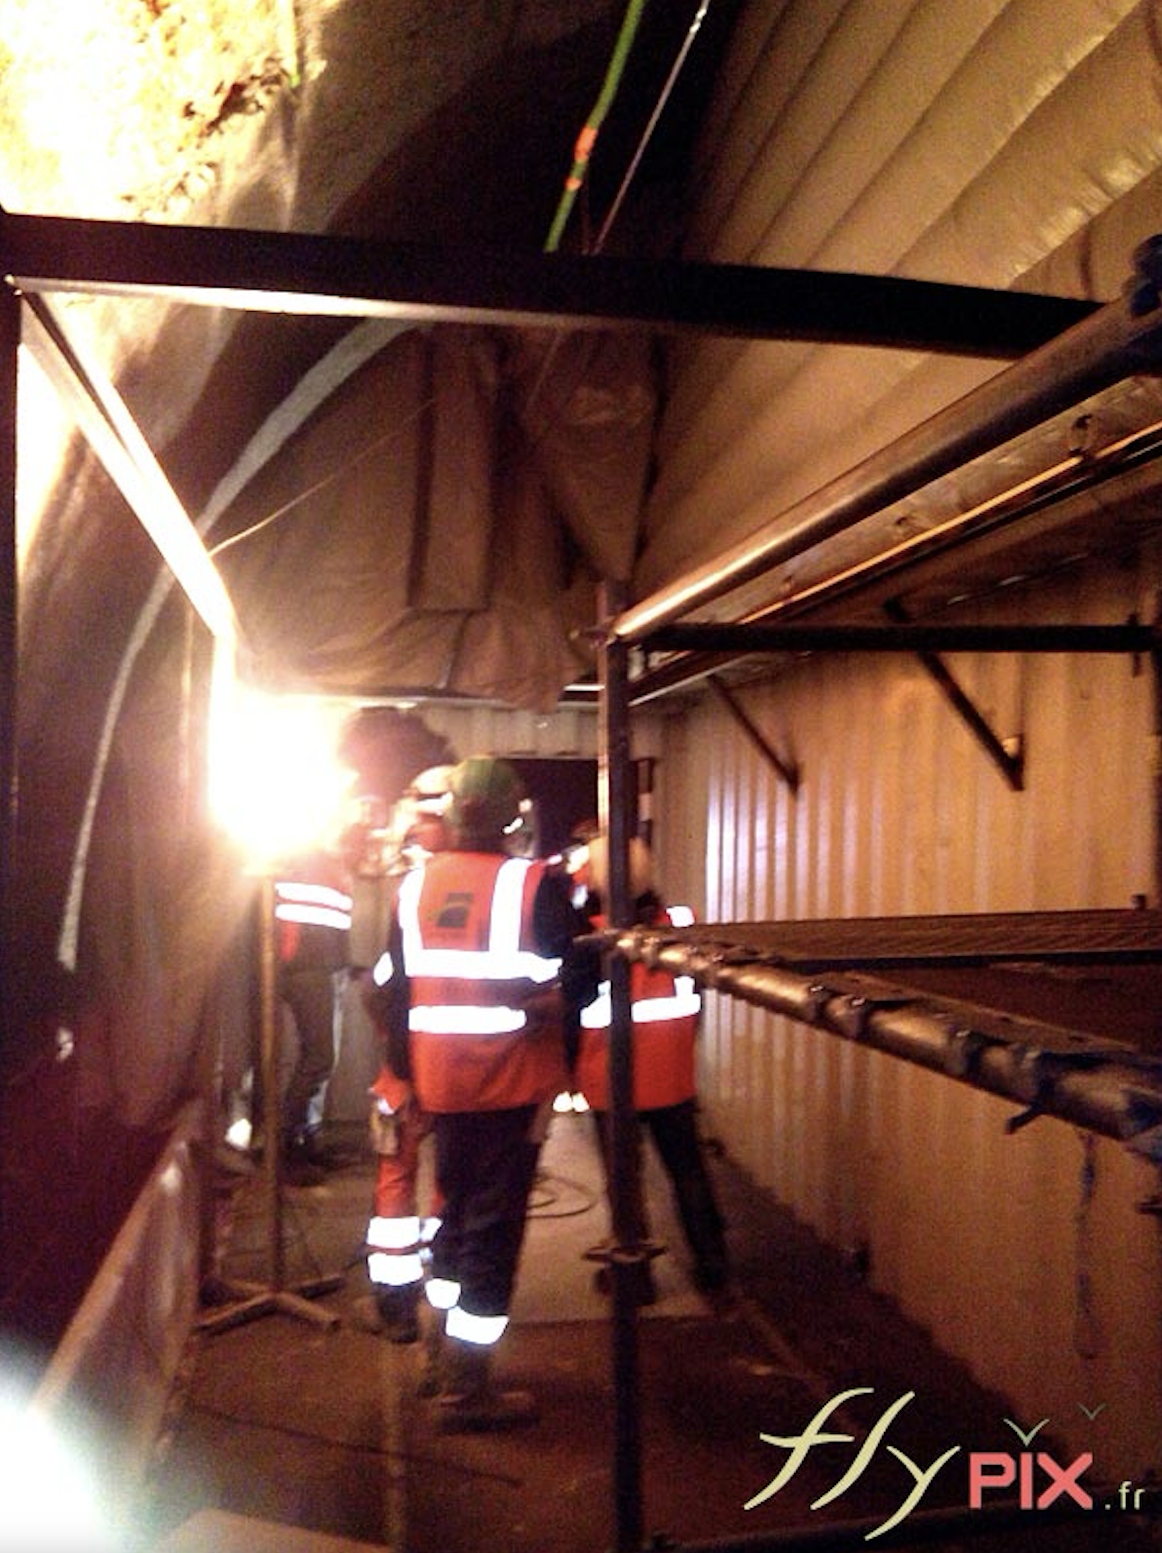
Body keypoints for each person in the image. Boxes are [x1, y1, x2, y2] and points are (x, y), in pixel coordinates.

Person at [374, 755, 594, 1430]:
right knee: (494, 1231)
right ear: (508, 817)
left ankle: (440, 1352)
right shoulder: (535, 884)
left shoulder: (412, 888)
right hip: (511, 1080)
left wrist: (404, 1074)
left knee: (455, 1210)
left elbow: (391, 988)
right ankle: (469, 1391)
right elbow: (580, 972)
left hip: (440, 1080)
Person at [570, 833, 730, 1302]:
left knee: (625, 1184)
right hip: (671, 1073)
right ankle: (714, 1265)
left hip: (610, 1079)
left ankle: (635, 1278)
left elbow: (571, 1007)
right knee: (688, 1170)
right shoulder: (681, 923)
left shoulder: (589, 937)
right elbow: (696, 998)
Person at [356, 766, 453, 1348]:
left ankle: (396, 1307)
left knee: (396, 1176)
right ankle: (443, 1288)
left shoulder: (412, 892)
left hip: (406, 1063)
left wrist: (393, 1051)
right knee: (449, 1181)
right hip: (461, 1069)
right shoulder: (495, 885)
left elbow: (383, 985)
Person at [273, 845, 353, 1185]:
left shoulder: (322, 860)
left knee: (319, 1059)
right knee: (318, 1058)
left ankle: (302, 1141)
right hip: (307, 969)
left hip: (319, 966)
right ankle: (286, 1148)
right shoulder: (305, 858)